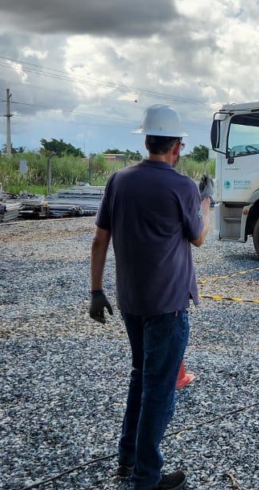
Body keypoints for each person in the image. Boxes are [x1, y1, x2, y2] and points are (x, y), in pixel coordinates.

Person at [89, 104, 213, 490]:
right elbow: (198, 236)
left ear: (146, 142)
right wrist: (206, 203)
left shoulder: (118, 181)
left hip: (131, 301)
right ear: (177, 146)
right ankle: (146, 477)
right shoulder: (183, 187)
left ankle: (128, 459)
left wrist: (96, 291)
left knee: (140, 376)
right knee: (159, 389)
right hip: (168, 306)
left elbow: (100, 239)